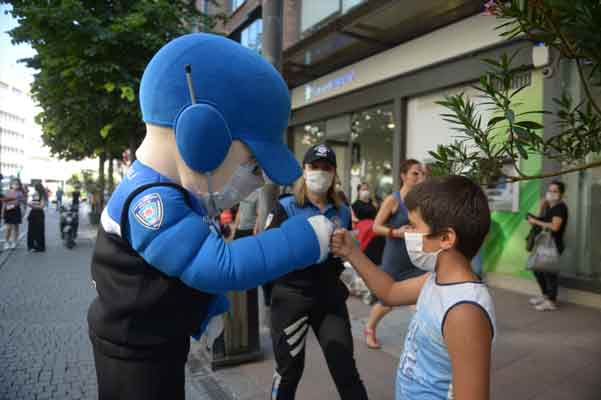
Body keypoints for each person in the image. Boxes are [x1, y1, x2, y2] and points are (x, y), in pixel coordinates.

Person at [87, 33, 334, 400]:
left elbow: (191, 263)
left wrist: (207, 307)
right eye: (252, 163)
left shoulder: (169, 191)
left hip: (156, 341)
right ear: (203, 135)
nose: (255, 180)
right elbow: (216, 265)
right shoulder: (149, 201)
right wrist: (303, 239)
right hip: (133, 353)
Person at [332, 175, 496, 400]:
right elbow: (390, 292)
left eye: (413, 226)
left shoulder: (464, 311)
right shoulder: (436, 279)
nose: (406, 231)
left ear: (446, 238)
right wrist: (352, 252)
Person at [266, 144, 368, 400]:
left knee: (345, 368)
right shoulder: (286, 207)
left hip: (329, 298)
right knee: (289, 372)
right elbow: (266, 253)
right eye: (315, 167)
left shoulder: (342, 211)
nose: (320, 172)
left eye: (327, 168)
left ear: (334, 173)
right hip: (291, 298)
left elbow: (344, 254)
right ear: (304, 169)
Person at [364, 159, 425, 348]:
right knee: (388, 301)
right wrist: (395, 232)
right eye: (415, 173)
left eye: (422, 174)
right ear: (403, 176)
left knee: (422, 298)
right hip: (395, 258)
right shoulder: (394, 200)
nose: (420, 177)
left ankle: (424, 340)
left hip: (415, 258)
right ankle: (370, 328)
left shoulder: (421, 203)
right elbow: (375, 227)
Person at [527, 180, 568, 311]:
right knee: (538, 270)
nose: (551, 193)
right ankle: (546, 296)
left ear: (561, 194)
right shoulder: (549, 207)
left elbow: (555, 227)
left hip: (552, 244)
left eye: (555, 191)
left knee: (549, 272)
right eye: (550, 190)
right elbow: (543, 221)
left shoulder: (560, 208)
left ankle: (551, 301)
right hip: (543, 243)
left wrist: (535, 221)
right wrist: (540, 209)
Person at [3, 179, 24, 251]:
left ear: (19, 185)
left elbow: (22, 203)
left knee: (16, 227)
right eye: (14, 184)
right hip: (8, 211)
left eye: (17, 184)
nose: (15, 185)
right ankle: (6, 242)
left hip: (16, 210)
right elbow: (4, 203)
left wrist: (23, 211)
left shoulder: (20, 193)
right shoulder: (7, 192)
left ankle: (14, 242)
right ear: (11, 184)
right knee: (8, 228)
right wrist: (2, 212)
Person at [27, 183, 46, 252]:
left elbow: (41, 206)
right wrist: (30, 204)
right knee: (31, 231)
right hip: (33, 214)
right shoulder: (35, 195)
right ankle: (32, 246)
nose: (35, 192)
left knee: (39, 231)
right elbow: (31, 203)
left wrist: (32, 206)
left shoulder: (42, 196)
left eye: (36, 189)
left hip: (38, 214)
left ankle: (39, 247)